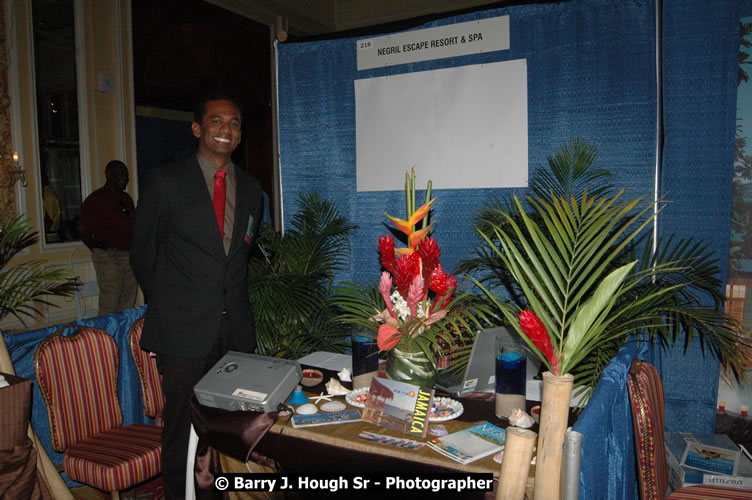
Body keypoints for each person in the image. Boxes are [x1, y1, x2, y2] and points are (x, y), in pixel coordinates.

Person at [130, 90, 264, 499]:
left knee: (230, 425)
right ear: (196, 129)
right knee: (180, 428)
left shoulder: (253, 188)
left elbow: (240, 255)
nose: (227, 129)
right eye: (217, 121)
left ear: (240, 135)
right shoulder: (166, 182)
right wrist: (172, 306)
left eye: (234, 123)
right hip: (182, 331)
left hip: (235, 330)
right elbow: (143, 254)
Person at [76, 160, 137, 315]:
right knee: (111, 298)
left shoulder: (126, 198)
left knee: (128, 297)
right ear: (109, 175)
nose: (125, 178)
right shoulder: (95, 199)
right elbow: (82, 228)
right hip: (108, 255)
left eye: (126, 176)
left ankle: (123, 335)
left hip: (128, 253)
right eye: (121, 175)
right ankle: (107, 336)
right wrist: (96, 247)